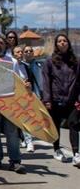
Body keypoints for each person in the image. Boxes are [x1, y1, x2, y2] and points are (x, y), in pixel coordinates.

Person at [0, 33, 26, 174]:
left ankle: (15, 161)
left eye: (1, 42)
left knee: (12, 133)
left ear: (5, 45)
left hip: (10, 104)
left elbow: (20, 82)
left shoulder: (12, 62)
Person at [42, 34, 80, 166]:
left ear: (68, 44)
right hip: (55, 100)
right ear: (56, 45)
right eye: (59, 41)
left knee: (74, 124)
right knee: (56, 125)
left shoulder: (76, 62)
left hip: (72, 100)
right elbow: (46, 82)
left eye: (65, 41)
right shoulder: (49, 61)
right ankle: (57, 149)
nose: (62, 43)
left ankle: (76, 154)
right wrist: (47, 100)